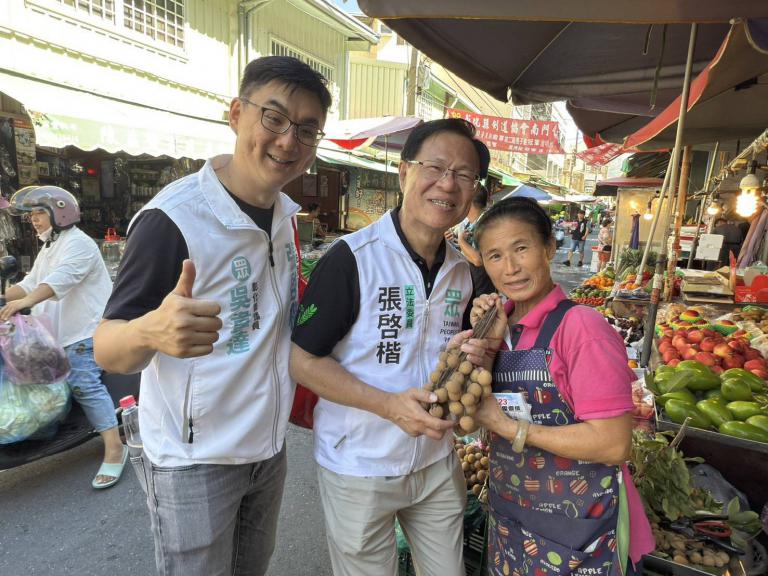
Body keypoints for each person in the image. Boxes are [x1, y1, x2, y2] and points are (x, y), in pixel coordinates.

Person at [93, 56, 331, 576]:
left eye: (307, 129)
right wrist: (150, 330)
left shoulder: (287, 218)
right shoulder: (172, 220)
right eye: (274, 117)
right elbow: (106, 348)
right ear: (236, 114)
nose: (288, 140)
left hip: (266, 451)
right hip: (192, 463)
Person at [290, 118, 491, 576]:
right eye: (436, 167)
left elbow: (450, 356)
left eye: (463, 175)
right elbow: (301, 360)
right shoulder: (351, 259)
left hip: (437, 462)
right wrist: (388, 406)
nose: (447, 184)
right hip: (359, 462)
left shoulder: (461, 271)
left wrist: (478, 351)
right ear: (404, 173)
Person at [464, 197, 654, 576]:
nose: (511, 268)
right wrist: (485, 345)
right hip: (512, 521)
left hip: (579, 533)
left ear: (550, 247)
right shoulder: (501, 324)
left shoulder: (581, 328)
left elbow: (614, 443)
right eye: (495, 256)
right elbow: (471, 417)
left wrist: (508, 428)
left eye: (521, 248)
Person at [0, 186, 126, 489]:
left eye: (40, 212)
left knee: (83, 381)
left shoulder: (78, 245)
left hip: (86, 332)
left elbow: (59, 281)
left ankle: (114, 448)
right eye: (31, 215)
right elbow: (30, 283)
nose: (34, 219)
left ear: (60, 211)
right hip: (56, 334)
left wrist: (22, 303)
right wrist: (4, 296)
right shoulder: (49, 247)